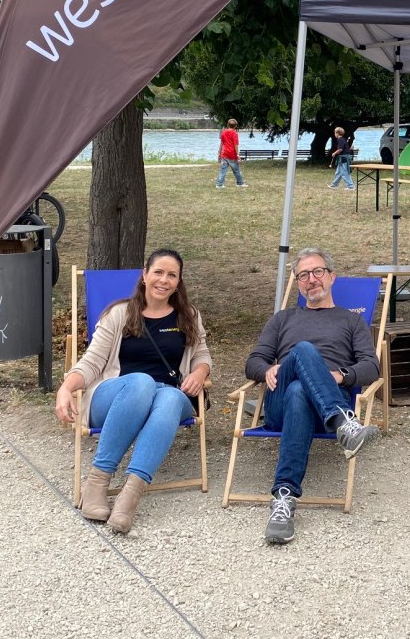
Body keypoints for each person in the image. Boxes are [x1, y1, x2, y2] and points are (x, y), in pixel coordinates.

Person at [56, 249, 212, 535]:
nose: (164, 280)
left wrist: (200, 373)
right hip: (117, 395)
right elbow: (91, 363)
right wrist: (66, 387)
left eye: (172, 275)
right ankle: (97, 484)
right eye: (158, 272)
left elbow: (201, 354)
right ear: (144, 275)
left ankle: (129, 496)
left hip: (168, 395)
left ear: (179, 282)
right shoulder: (119, 314)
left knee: (168, 397)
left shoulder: (188, 316)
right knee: (142, 382)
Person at [244, 247, 381, 545]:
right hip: (279, 407)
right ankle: (345, 424)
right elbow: (252, 362)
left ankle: (284, 499)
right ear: (298, 283)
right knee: (303, 352)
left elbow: (372, 366)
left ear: (332, 277)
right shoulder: (283, 319)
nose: (311, 279)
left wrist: (340, 375)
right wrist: (268, 369)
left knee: (298, 390)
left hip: (316, 406)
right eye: (303, 275)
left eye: (317, 271)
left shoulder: (351, 321)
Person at [216, 118, 247, 188]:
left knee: (223, 170)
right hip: (232, 154)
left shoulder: (223, 132)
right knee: (236, 170)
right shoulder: (234, 133)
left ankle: (219, 184)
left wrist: (219, 152)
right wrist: (238, 155)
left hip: (224, 153)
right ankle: (240, 183)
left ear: (227, 125)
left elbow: (221, 143)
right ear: (235, 126)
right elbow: (236, 144)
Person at [327, 126, 355, 190]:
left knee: (344, 172)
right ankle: (334, 185)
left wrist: (334, 153)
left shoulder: (341, 140)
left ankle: (351, 186)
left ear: (337, 133)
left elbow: (340, 149)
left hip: (344, 158)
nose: (334, 134)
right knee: (338, 172)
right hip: (342, 158)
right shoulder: (343, 139)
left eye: (335, 133)